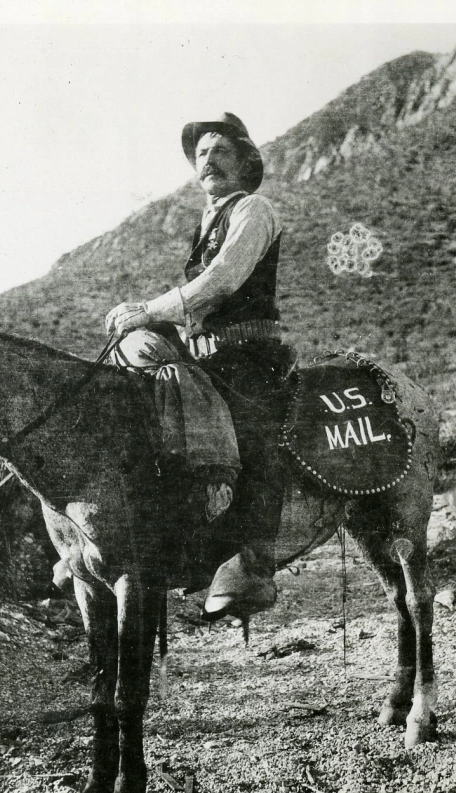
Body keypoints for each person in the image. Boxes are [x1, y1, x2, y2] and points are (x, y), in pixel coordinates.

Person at [105, 112, 294, 623]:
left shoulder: (254, 209)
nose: (207, 160)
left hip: (248, 355)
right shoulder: (206, 222)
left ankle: (250, 561)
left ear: (245, 163)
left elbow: (222, 281)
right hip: (207, 352)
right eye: (201, 155)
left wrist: (147, 309)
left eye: (220, 152)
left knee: (250, 430)